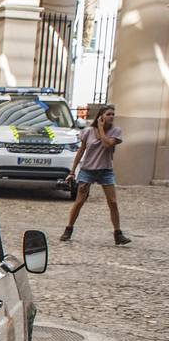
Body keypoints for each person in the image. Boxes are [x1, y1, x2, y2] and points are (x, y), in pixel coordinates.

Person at [61, 105, 130, 245]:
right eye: (108, 114)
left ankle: (118, 234)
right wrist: (72, 171)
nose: (111, 116)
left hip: (106, 171)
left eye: (113, 114)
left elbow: (107, 144)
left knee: (113, 202)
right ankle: (68, 229)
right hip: (88, 170)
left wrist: (100, 128)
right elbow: (81, 151)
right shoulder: (88, 131)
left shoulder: (116, 131)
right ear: (101, 116)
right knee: (79, 202)